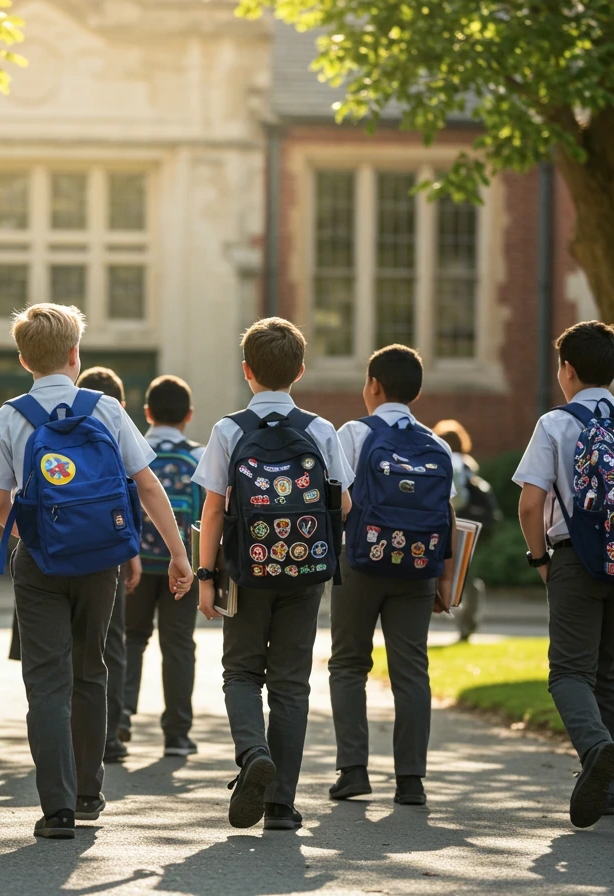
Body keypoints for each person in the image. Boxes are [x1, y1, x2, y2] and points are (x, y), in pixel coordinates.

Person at [0, 303, 193, 839]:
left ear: (25, 359)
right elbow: (147, 487)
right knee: (91, 669)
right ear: (76, 355)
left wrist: (36, 536)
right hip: (101, 561)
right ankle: (89, 791)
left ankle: (56, 809)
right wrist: (180, 555)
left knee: (46, 680)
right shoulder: (107, 411)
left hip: (39, 563)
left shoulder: (11, 415)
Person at [193, 317, 353, 831]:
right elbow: (343, 503)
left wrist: (205, 575)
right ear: (300, 372)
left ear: (247, 372)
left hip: (244, 570)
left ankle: (252, 755)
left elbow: (213, 510)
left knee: (241, 671)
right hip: (305, 571)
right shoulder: (321, 431)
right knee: (291, 683)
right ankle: (281, 804)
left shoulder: (227, 430)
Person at [513, 321, 614, 828]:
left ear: (568, 370)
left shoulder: (555, 425)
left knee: (569, 673)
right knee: (612, 673)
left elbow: (531, 505)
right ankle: (611, 793)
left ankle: (597, 748)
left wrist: (540, 561)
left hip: (576, 556)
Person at [330, 345, 457, 807]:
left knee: (348, 664)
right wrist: (444, 579)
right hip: (418, 569)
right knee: (411, 670)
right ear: (416, 391)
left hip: (361, 564)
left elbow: (336, 499)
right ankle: (411, 781)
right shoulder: (438, 445)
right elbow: (446, 514)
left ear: (374, 386)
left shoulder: (354, 434)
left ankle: (354, 770)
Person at [122, 374, 203, 758]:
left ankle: (119, 719)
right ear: (188, 415)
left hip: (133, 564)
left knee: (131, 640)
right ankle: (177, 733)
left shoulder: (129, 452)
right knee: (178, 645)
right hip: (182, 565)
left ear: (147, 413)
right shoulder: (198, 457)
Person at [73, 365, 142, 764]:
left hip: (54, 551)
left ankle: (67, 731)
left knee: (59, 647)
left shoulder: (34, 416)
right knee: (109, 642)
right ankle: (110, 736)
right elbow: (135, 488)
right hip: (106, 551)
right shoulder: (113, 421)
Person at [432, 419, 502, 641]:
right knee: (468, 575)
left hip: (455, 525)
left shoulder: (448, 461)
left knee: (450, 573)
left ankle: (461, 621)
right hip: (474, 526)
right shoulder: (468, 464)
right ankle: (468, 622)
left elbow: (455, 499)